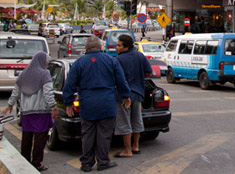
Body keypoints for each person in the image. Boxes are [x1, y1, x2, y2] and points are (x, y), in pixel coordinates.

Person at [62, 37, 131, 172]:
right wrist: (126, 95)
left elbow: (69, 85)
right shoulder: (111, 61)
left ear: (86, 49)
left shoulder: (79, 63)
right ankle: (103, 161)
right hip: (106, 102)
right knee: (104, 134)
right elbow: (121, 81)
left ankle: (86, 163)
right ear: (100, 47)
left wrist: (68, 102)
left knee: (87, 134)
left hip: (87, 103)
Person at [1, 51, 58, 172]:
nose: (47, 65)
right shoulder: (45, 74)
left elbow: (16, 91)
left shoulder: (23, 74)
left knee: (27, 137)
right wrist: (53, 107)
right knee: (40, 139)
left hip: (27, 111)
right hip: (41, 112)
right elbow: (48, 93)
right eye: (46, 63)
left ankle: (25, 160)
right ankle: (36, 163)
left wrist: (10, 104)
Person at [113, 35, 152, 158]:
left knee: (124, 122)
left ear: (125, 46)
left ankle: (127, 150)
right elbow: (148, 71)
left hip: (124, 95)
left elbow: (116, 79)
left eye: (119, 45)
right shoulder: (139, 56)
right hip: (138, 93)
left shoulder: (118, 60)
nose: (116, 47)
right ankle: (136, 146)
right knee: (136, 120)